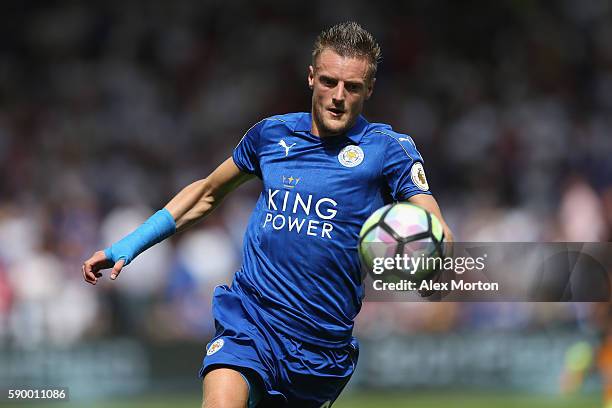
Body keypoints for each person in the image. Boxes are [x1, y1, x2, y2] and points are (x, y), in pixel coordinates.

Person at [83, 21, 453, 408]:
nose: (338, 96)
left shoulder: (388, 150)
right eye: (328, 81)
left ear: (369, 89)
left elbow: (434, 222)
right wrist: (131, 243)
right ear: (311, 77)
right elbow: (207, 193)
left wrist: (433, 264)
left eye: (352, 86)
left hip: (320, 349)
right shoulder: (271, 136)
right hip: (251, 319)